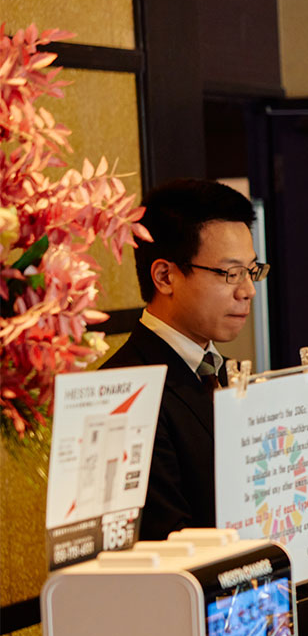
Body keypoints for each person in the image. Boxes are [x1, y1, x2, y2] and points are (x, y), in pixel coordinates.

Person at [100, 179, 264, 540]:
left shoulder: (231, 374)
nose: (248, 290)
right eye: (230, 273)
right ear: (165, 276)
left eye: (251, 271)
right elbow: (167, 539)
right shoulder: (124, 396)